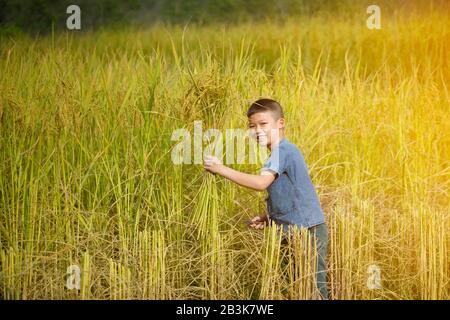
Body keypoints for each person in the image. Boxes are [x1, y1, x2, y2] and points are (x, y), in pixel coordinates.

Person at [203, 98, 329, 299]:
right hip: (292, 231)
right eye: (252, 126)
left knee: (313, 290)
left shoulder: (283, 151)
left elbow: (261, 183)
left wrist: (220, 169)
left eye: (263, 124)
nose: (257, 130)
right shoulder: (278, 153)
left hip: (308, 231)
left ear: (280, 123)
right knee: (295, 288)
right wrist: (270, 217)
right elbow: (291, 195)